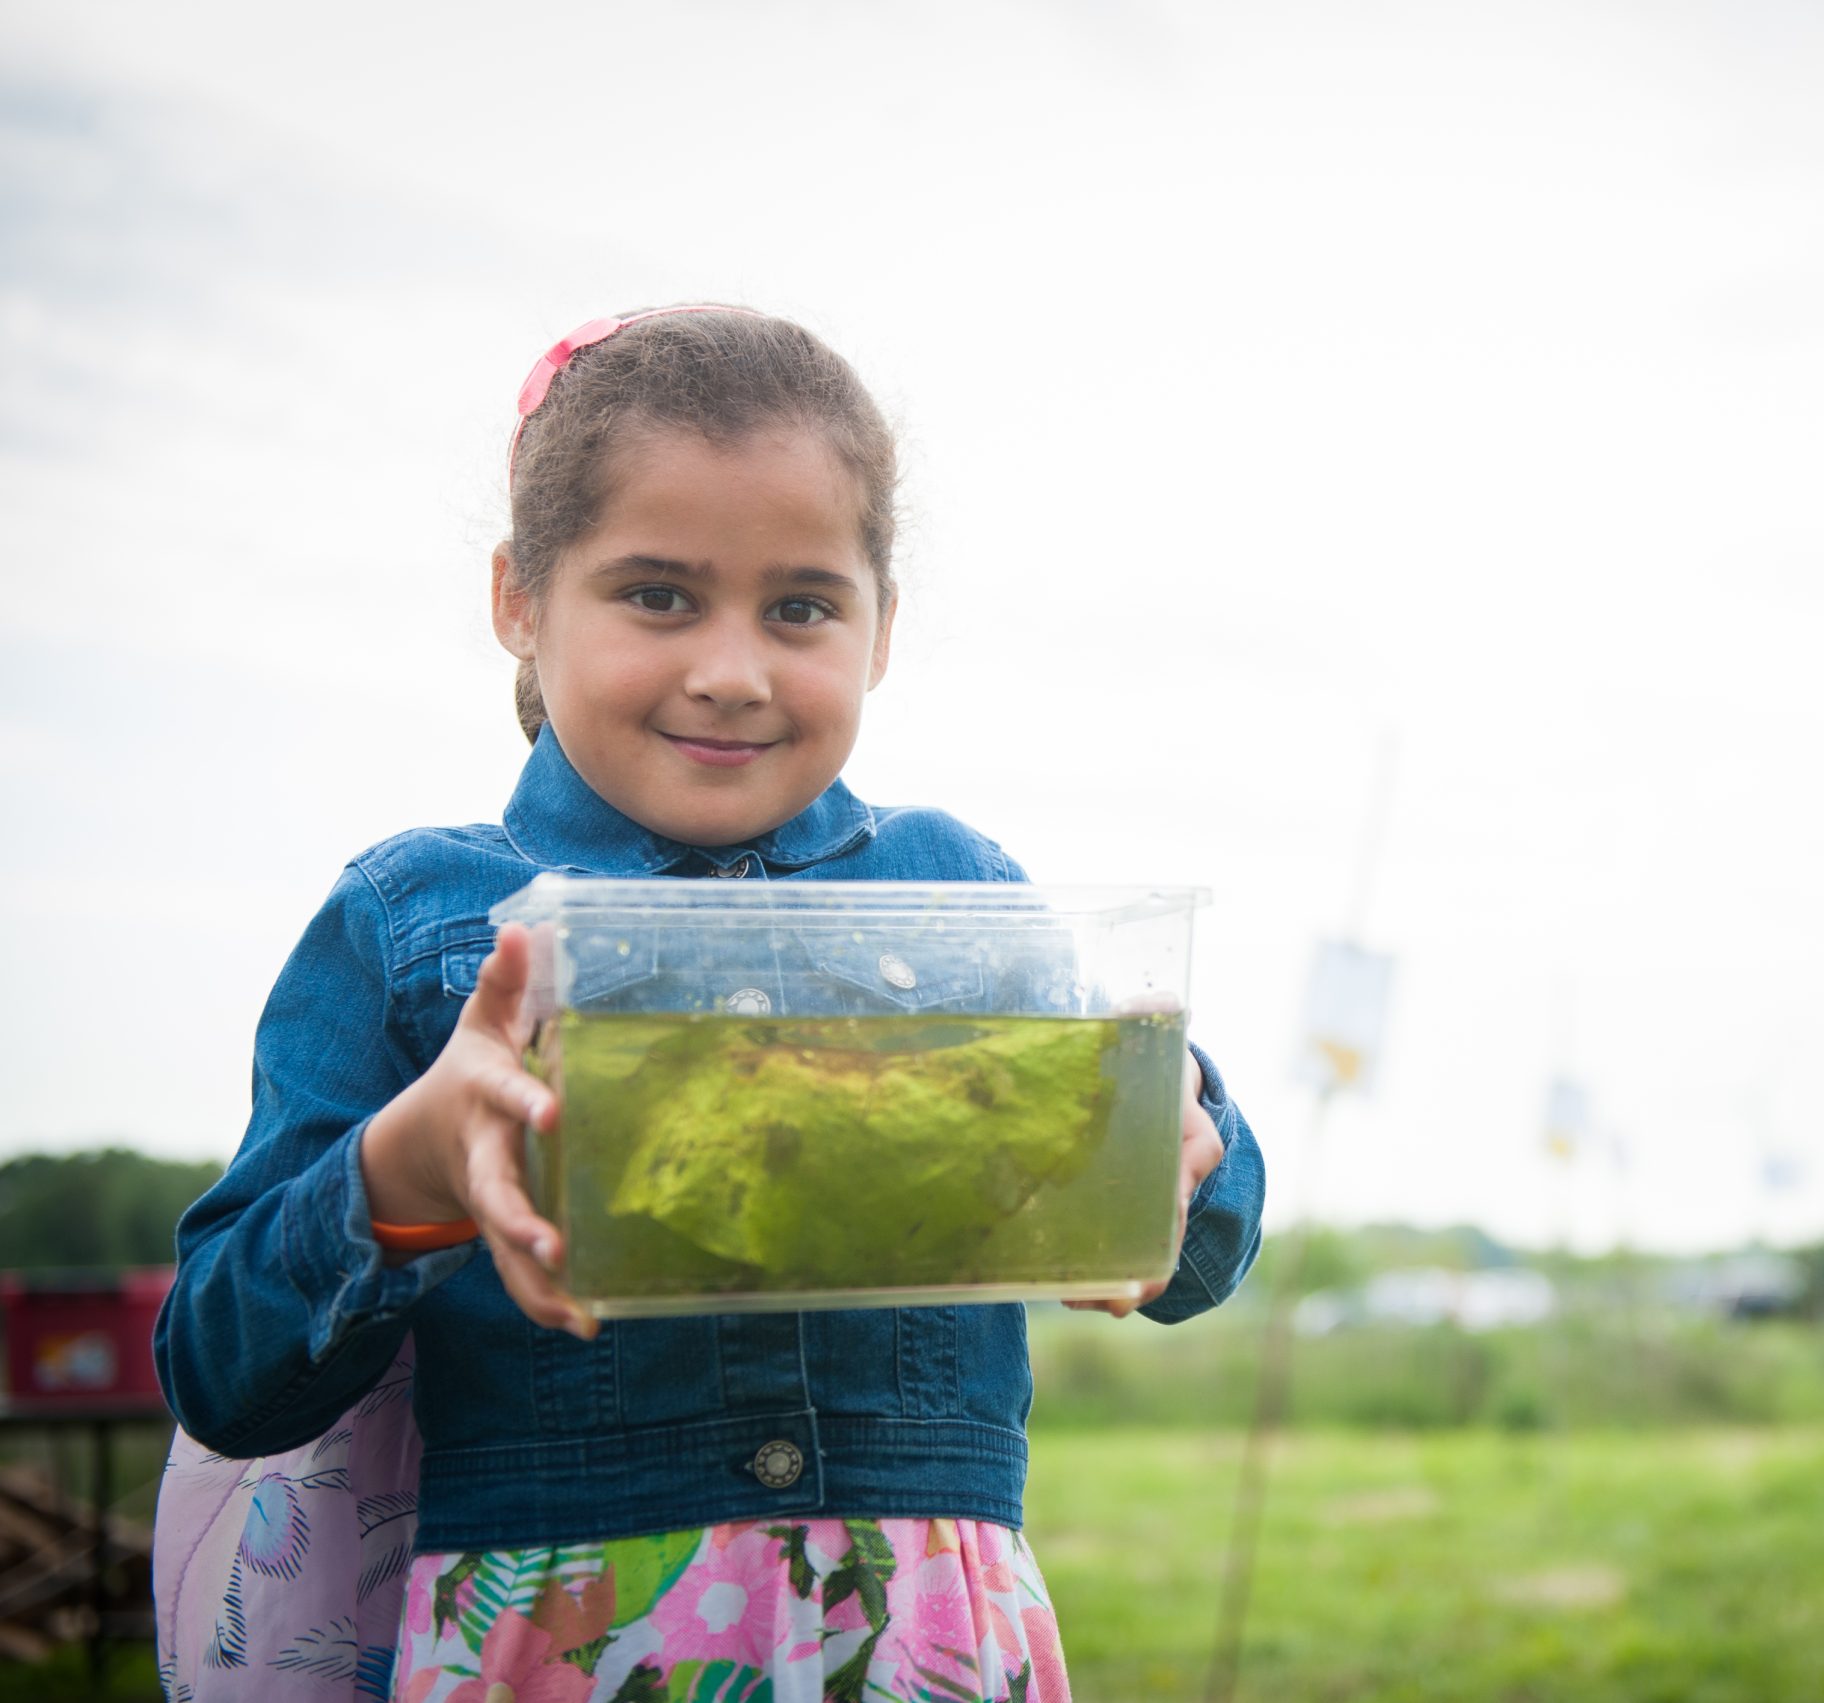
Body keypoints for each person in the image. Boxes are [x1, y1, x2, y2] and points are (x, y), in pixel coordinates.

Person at [152, 304, 1265, 1702]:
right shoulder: (411, 923)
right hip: (555, 1647)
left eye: (801, 606)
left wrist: (1187, 1133)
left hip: (917, 1643)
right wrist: (409, 1169)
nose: (731, 671)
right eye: (658, 595)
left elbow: (1198, 1257)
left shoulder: (962, 891)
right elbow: (223, 1369)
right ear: (518, 598)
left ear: (881, 629)